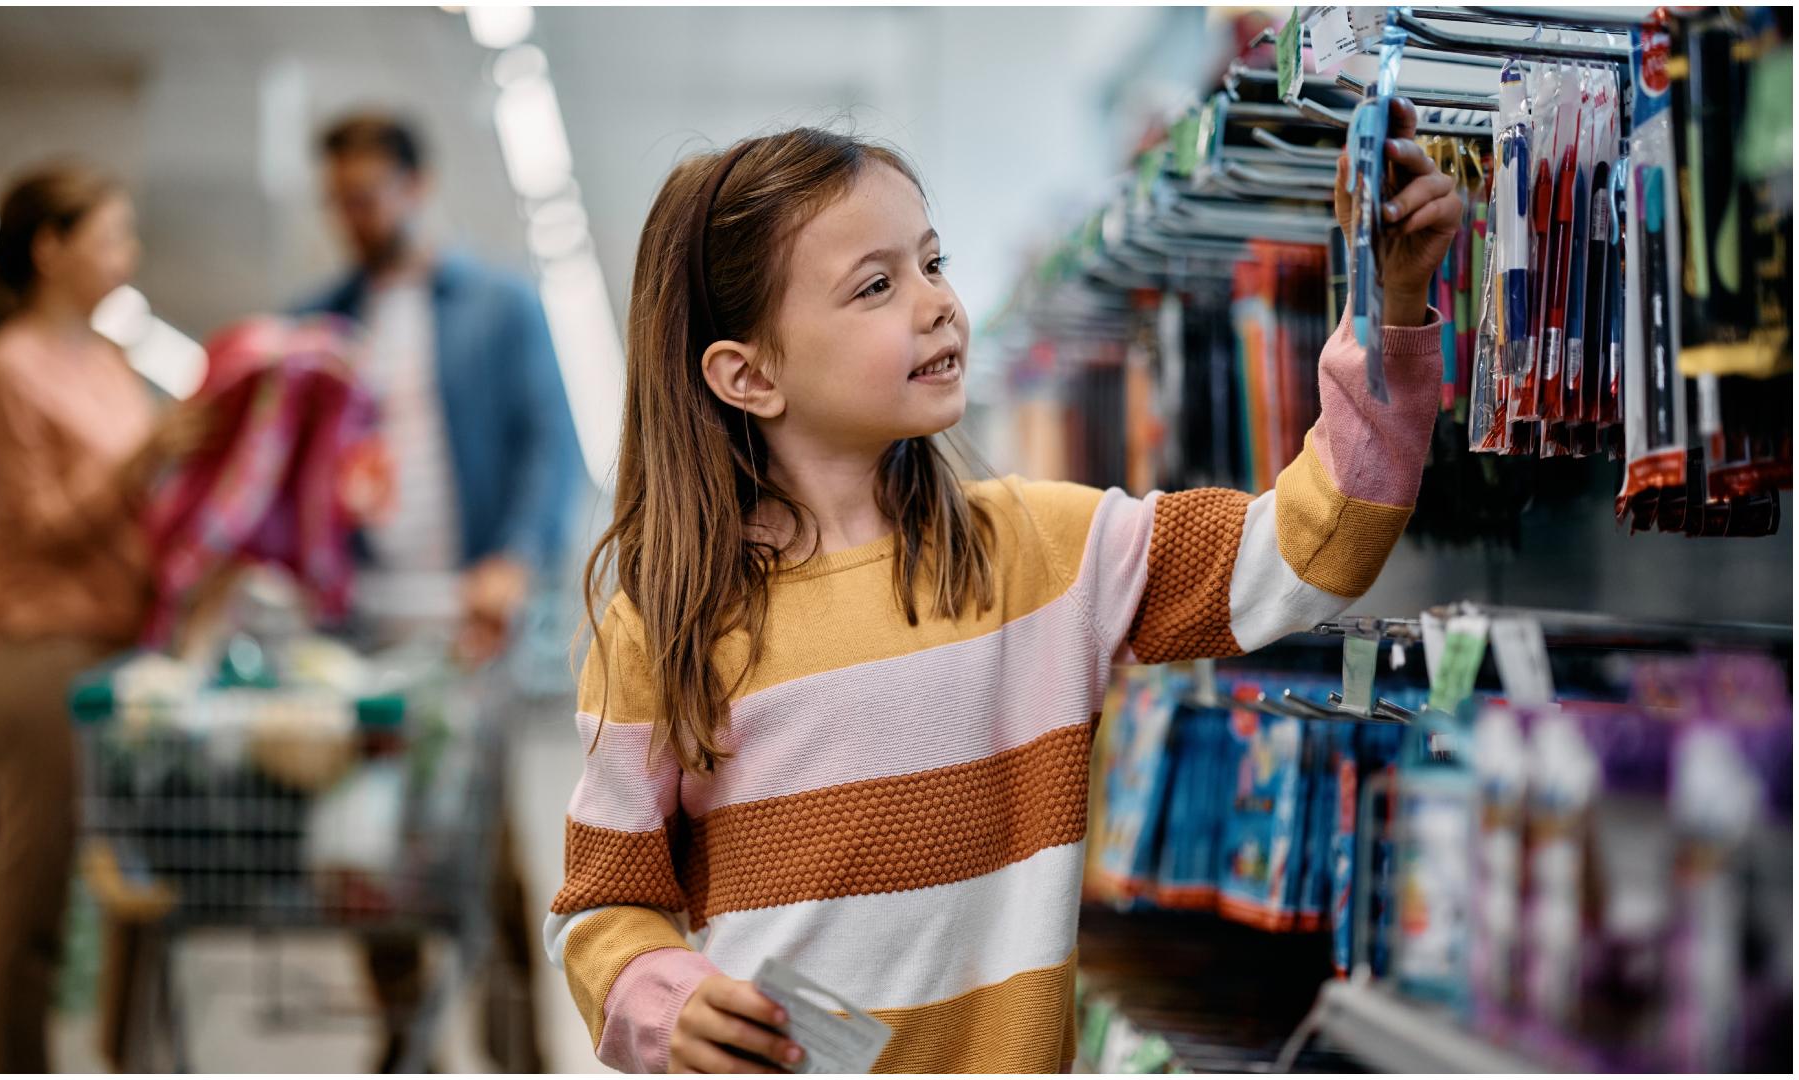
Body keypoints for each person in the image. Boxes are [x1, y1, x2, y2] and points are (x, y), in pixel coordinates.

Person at [546, 101, 1461, 1073]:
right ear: (748, 375)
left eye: (932, 263)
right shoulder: (664, 624)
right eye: (874, 287)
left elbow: (1310, 547)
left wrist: (1389, 308)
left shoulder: (1043, 552)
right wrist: (664, 1001)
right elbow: (605, 900)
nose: (935, 301)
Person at [295, 111, 584, 1072]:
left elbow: (552, 452)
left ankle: (515, 1056)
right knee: (362, 845)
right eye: (339, 200)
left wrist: (516, 559)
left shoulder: (499, 306)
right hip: (358, 628)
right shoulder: (323, 323)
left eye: (369, 194)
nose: (355, 216)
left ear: (416, 186)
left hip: (469, 631)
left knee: (476, 857)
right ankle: (402, 1038)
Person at [0, 163, 202, 1072]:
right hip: (43, 652)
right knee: (37, 889)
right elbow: (40, 524)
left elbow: (135, 507)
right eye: (111, 236)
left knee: (136, 887)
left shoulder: (108, 360)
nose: (128, 254)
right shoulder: (4, 370)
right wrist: (139, 460)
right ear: (51, 248)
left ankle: (125, 1059)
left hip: (124, 645)